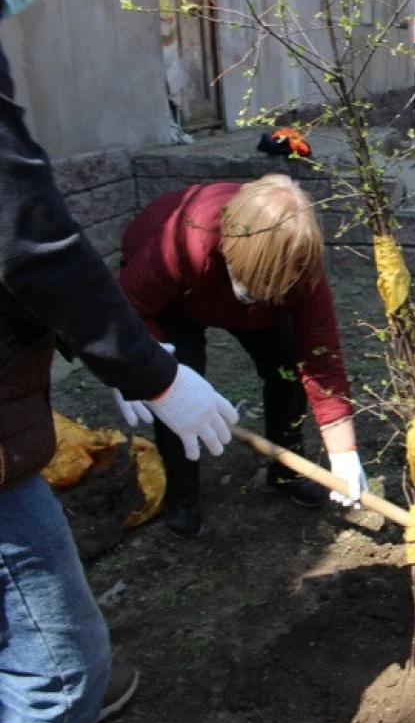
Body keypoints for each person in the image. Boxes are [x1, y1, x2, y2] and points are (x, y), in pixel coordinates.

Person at [1, 0, 238, 723]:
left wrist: (104, 354)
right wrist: (149, 373)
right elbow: (29, 242)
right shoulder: (178, 238)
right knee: (63, 672)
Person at [117, 175, 369, 539]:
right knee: (176, 388)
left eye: (271, 287)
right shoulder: (186, 240)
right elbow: (128, 304)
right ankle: (182, 494)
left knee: (286, 372)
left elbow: (321, 358)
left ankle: (287, 470)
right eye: (251, 285)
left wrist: (344, 453)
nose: (252, 296)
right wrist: (141, 366)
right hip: (175, 299)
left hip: (253, 299)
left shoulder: (301, 273)